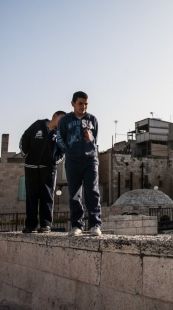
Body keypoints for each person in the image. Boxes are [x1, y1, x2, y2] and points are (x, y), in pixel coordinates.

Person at [56, 91, 102, 236]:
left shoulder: (92, 119)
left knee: (92, 192)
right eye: (80, 103)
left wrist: (91, 144)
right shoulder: (65, 120)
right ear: (73, 104)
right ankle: (77, 225)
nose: (83, 107)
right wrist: (68, 151)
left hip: (90, 160)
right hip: (73, 161)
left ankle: (95, 224)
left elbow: (95, 140)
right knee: (75, 193)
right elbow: (60, 138)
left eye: (86, 104)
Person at [19, 111, 67, 233]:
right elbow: (24, 137)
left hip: (48, 168)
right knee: (31, 196)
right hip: (31, 166)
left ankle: (45, 224)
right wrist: (25, 153)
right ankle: (31, 225)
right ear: (55, 116)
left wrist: (54, 161)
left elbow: (63, 150)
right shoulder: (38, 125)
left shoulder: (60, 134)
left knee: (47, 195)